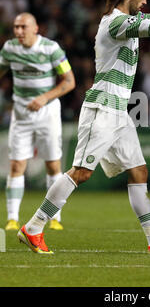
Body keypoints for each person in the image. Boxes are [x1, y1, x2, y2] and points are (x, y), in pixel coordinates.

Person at [17, 0, 150, 254]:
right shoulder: (116, 23)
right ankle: (34, 227)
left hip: (118, 111)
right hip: (102, 108)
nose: (146, 1)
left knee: (139, 171)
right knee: (81, 172)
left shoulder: (127, 21)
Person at [0, 13, 75, 231]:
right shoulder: (9, 49)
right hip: (21, 113)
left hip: (47, 113)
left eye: (23, 27)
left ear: (35, 29)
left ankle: (55, 218)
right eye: (15, 27)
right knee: (16, 165)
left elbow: (69, 81)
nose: (18, 31)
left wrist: (44, 97)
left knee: (52, 165)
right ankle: (12, 218)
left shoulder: (51, 49)